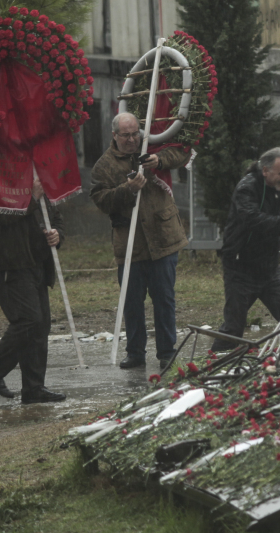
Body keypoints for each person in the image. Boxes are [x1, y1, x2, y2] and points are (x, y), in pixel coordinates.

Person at [90, 112, 190, 370]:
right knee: (132, 302)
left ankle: (167, 351)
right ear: (114, 135)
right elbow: (100, 200)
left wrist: (160, 159)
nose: (132, 139)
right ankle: (135, 353)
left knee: (164, 299)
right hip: (130, 244)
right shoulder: (105, 165)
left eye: (136, 133)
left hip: (163, 238)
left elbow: (183, 153)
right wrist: (128, 189)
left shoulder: (152, 147)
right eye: (126, 135)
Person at [0, 173, 67, 404]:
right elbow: (1, 215)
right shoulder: (0, 177)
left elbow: (54, 217)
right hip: (8, 262)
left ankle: (34, 388)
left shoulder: (41, 178)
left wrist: (57, 234)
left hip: (35, 262)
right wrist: (33, 197)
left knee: (40, 325)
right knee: (29, 320)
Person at [210, 147, 280, 353]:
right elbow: (252, 219)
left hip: (269, 269)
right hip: (240, 269)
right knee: (233, 329)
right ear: (265, 170)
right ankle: (211, 365)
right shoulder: (247, 187)